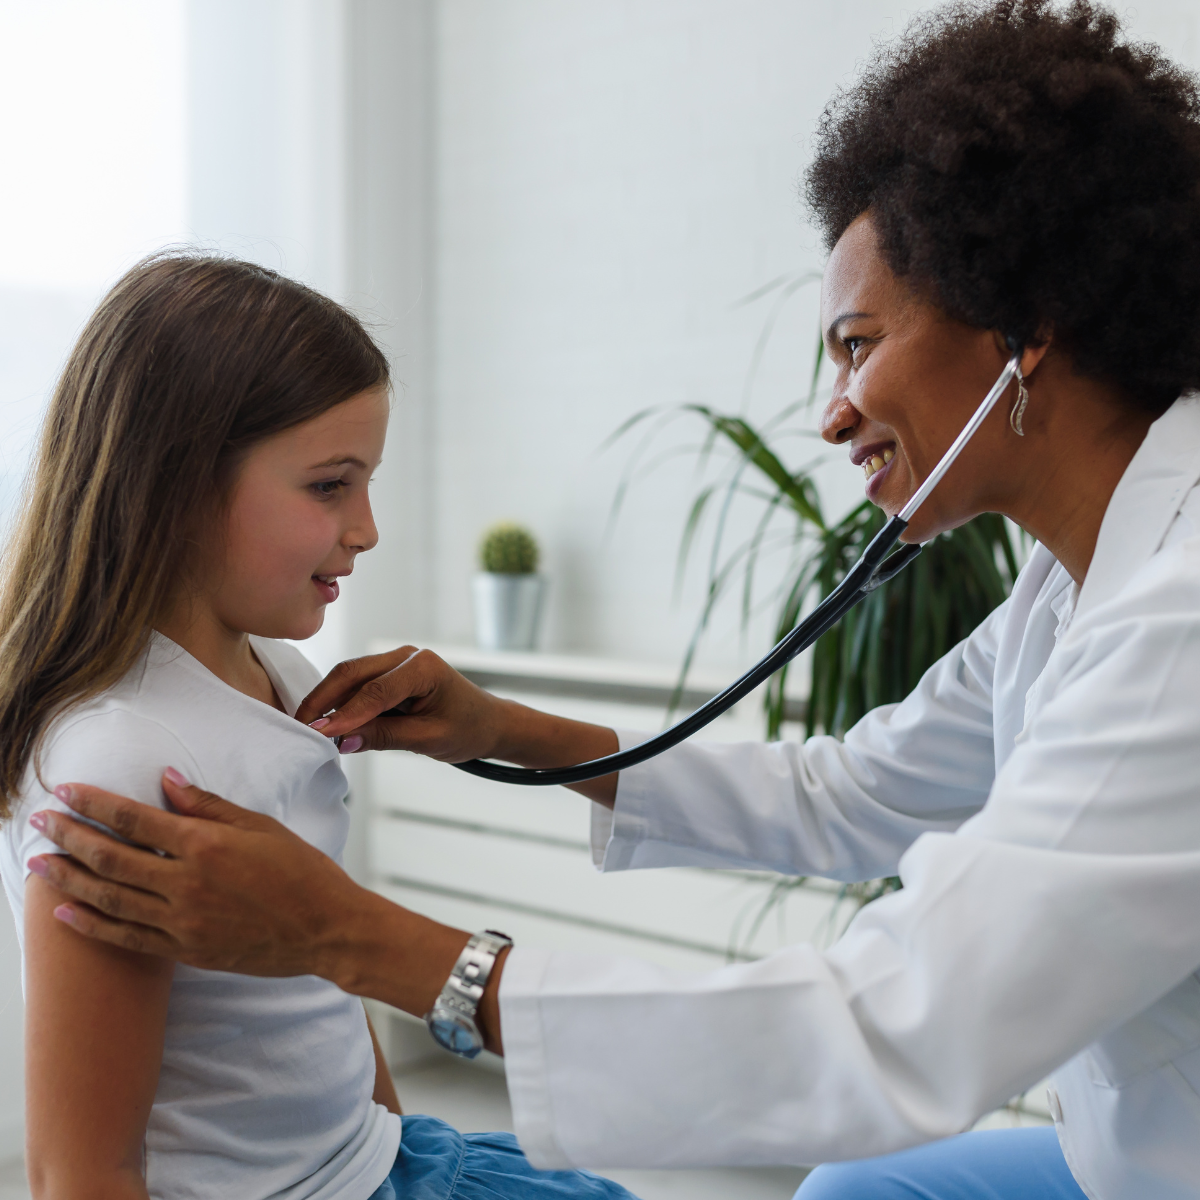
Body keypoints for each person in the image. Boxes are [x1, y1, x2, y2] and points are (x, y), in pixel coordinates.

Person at [24, 1, 1200, 1196]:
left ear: (1027, 333)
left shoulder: (1181, 623)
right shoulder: (1075, 576)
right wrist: (508, 735)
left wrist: (349, 934)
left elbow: (888, 1024)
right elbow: (851, 796)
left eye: (856, 344)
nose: (833, 409)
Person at [0, 255, 635, 1200]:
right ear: (176, 480)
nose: (367, 528)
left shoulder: (275, 673)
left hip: (381, 1161)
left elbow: (318, 961)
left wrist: (390, 1137)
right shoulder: (120, 760)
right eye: (331, 486)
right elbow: (81, 1171)